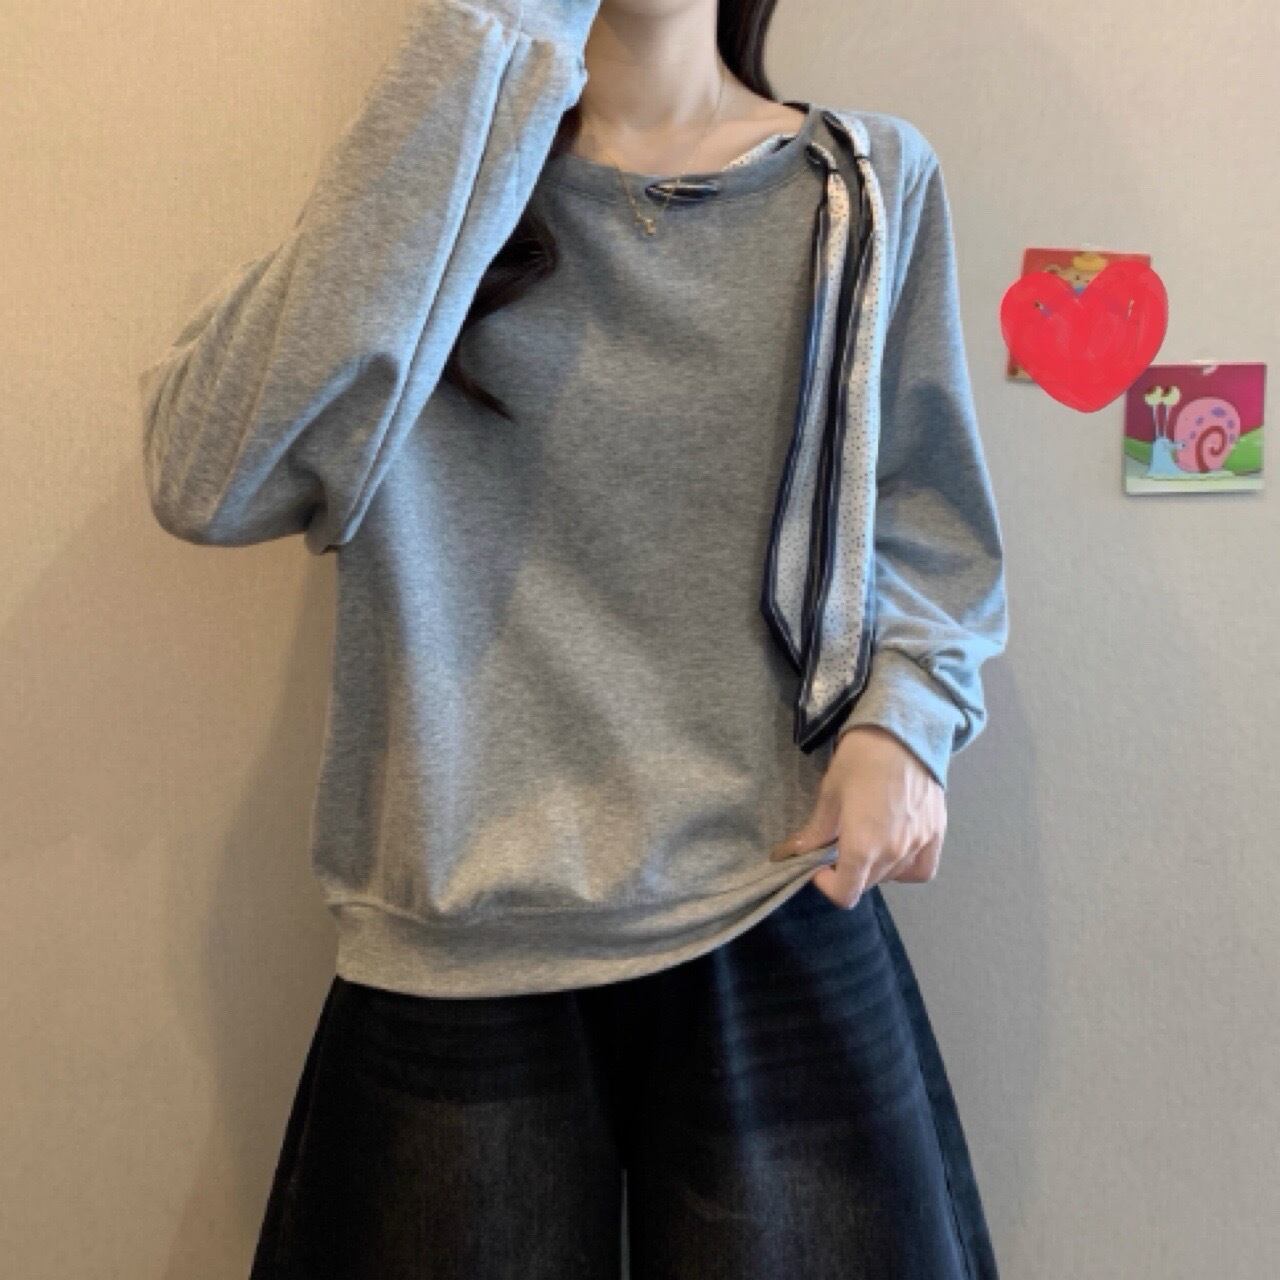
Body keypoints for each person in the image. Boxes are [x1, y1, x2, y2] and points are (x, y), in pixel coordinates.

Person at [138, 0, 1009, 1275]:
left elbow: (926, 518)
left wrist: (906, 722)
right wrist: (483, 48)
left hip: (776, 888)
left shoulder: (863, 184)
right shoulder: (436, 190)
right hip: (458, 928)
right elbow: (206, 480)